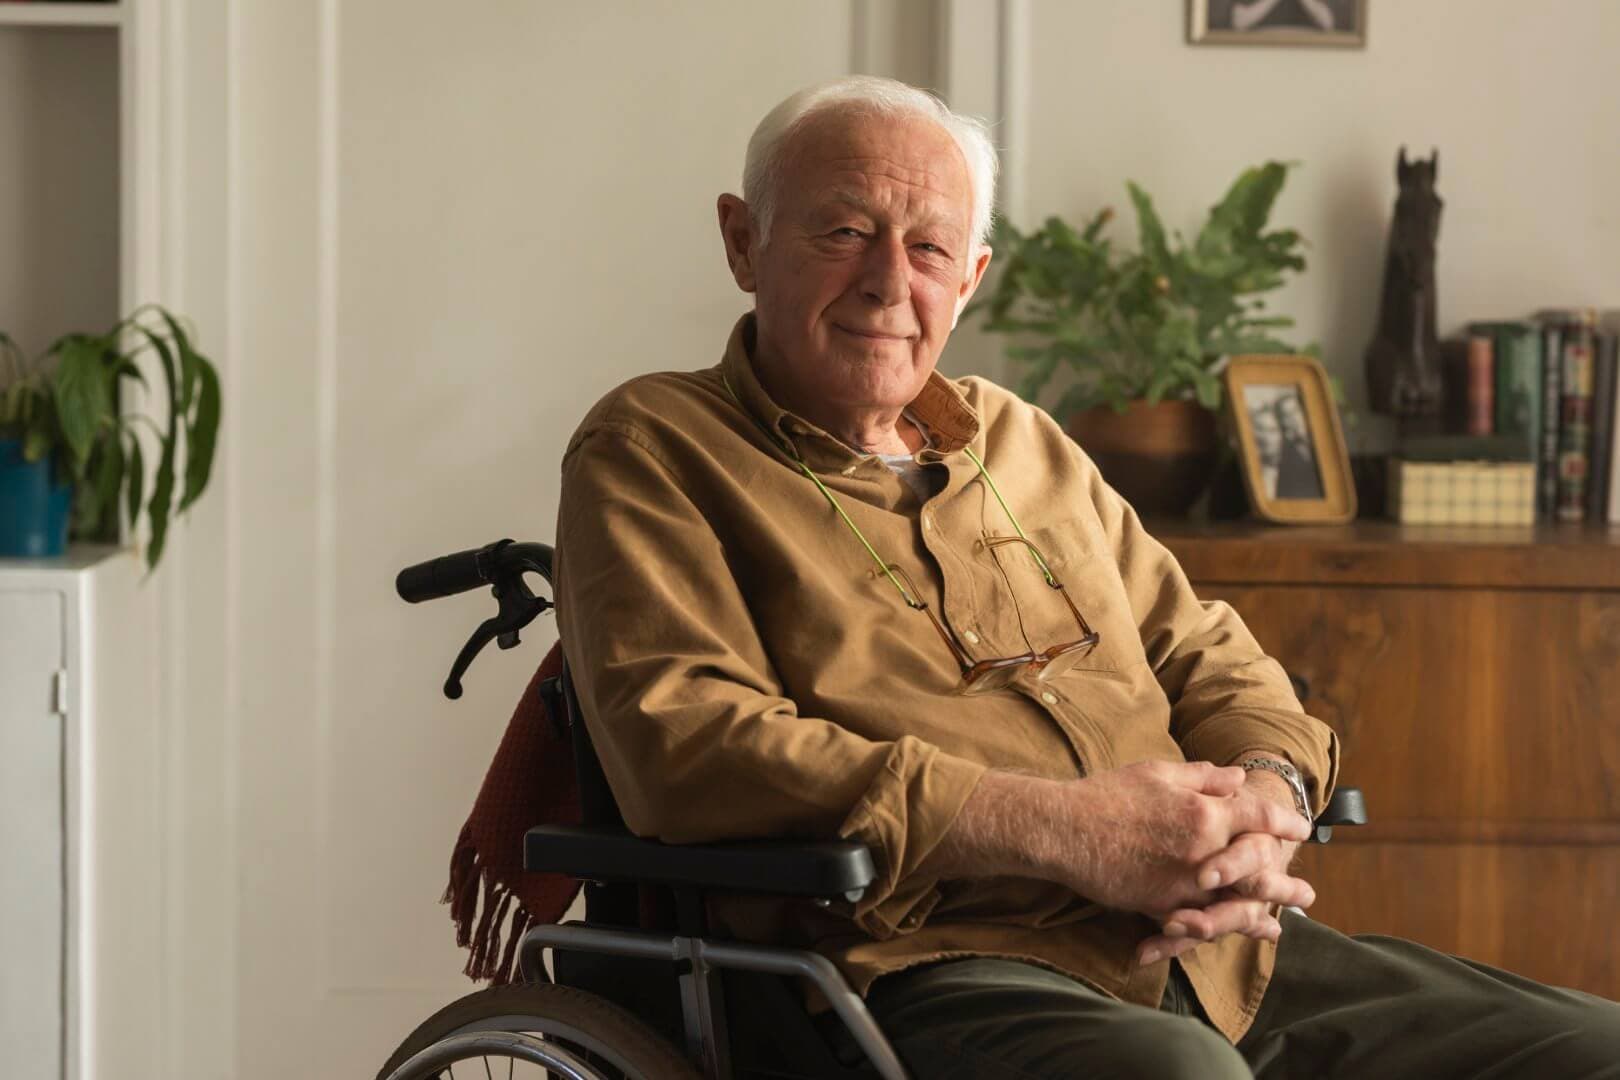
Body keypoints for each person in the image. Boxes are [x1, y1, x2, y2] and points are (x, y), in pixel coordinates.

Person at [554, 76, 1620, 1078]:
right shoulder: (655, 446)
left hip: (1215, 953)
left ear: (969, 280)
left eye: (930, 247)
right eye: (842, 231)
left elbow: (1205, 651)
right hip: (928, 961)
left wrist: (1266, 798)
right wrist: (1068, 835)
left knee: (1588, 1047)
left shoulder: (1023, 443)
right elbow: (691, 745)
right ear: (744, 240)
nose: (889, 280)